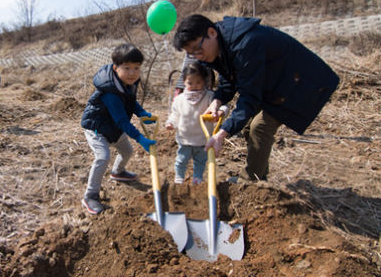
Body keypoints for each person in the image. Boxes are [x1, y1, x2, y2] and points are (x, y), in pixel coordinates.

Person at [173, 14, 339, 181]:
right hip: (275, 83)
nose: (198, 56)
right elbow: (229, 79)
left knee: (259, 128)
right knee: (248, 126)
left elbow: (249, 96)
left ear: (211, 33)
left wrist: (222, 134)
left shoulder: (245, 44)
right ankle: (260, 177)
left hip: (303, 83)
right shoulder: (223, 44)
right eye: (192, 54)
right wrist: (217, 101)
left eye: (198, 50)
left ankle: (250, 181)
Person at [80, 43, 156, 215]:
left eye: (136, 68)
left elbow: (130, 102)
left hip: (112, 126)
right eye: (127, 68)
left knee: (127, 151)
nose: (132, 73)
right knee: (103, 157)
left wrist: (141, 112)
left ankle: (118, 172)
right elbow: (122, 121)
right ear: (115, 67)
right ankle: (90, 196)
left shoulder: (127, 83)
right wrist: (140, 138)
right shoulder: (110, 93)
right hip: (97, 128)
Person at [165, 62, 229, 185]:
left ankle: (197, 179)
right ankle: (179, 178)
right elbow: (174, 115)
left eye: (198, 82)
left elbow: (225, 105)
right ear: (184, 82)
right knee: (181, 160)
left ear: (204, 82)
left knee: (200, 162)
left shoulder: (210, 97)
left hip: (203, 139)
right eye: (190, 83)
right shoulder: (179, 99)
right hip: (185, 138)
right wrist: (171, 123)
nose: (194, 86)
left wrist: (221, 111)